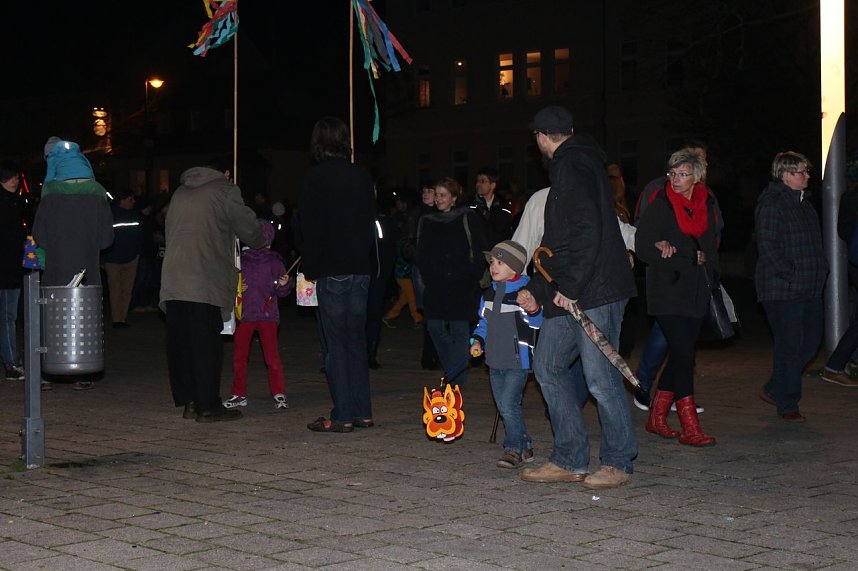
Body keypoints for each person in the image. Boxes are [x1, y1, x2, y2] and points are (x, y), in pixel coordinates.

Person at [516, 105, 637, 489]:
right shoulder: (574, 164)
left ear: (541, 137)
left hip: (594, 291)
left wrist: (570, 288)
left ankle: (618, 461)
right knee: (548, 366)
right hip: (570, 290)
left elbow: (587, 233)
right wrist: (542, 290)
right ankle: (569, 458)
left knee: (600, 378)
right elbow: (559, 242)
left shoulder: (573, 165)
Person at [160, 158, 264, 422]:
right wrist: (261, 239)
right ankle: (208, 405)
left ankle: (190, 401)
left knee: (182, 344)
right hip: (203, 277)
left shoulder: (180, 192)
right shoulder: (224, 189)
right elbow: (248, 227)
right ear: (226, 172)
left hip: (174, 278)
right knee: (205, 344)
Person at [297, 116, 377, 433]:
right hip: (360, 268)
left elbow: (308, 227)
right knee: (356, 340)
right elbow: (369, 219)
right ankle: (362, 410)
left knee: (336, 344)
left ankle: (343, 414)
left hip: (332, 268)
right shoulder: (361, 175)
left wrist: (310, 266)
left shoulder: (313, 178)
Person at [635, 150, 718, 446]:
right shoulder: (661, 204)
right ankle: (690, 426)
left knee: (683, 354)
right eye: (672, 173)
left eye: (683, 174)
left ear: (697, 177)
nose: (676, 179)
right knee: (684, 355)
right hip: (668, 292)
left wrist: (710, 274)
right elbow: (643, 246)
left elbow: (711, 246)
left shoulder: (706, 203)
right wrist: (676, 252)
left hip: (696, 291)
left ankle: (656, 418)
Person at [755, 151, 828, 422]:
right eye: (802, 171)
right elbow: (768, 247)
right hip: (783, 290)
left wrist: (821, 270)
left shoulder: (805, 205)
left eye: (807, 171)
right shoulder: (772, 205)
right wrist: (791, 275)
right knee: (790, 346)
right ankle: (788, 403)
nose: (807, 176)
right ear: (785, 175)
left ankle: (775, 387)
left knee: (811, 342)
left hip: (809, 287)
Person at [470, 240, 542, 469]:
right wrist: (477, 341)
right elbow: (483, 323)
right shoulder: (488, 294)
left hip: (517, 361)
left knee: (509, 405)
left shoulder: (524, 294)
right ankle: (525, 443)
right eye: (492, 262)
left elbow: (537, 323)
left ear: (515, 267)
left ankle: (512, 449)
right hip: (494, 360)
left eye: (500, 263)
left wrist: (532, 307)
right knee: (505, 407)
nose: (493, 267)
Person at [417, 177, 488, 387]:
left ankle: (457, 381)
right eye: (436, 195)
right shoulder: (427, 220)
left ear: (454, 198)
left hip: (461, 284)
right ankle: (455, 369)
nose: (438, 199)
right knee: (435, 328)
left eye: (443, 195)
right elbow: (421, 252)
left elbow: (479, 247)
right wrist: (427, 276)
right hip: (436, 285)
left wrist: (472, 275)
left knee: (459, 331)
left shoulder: (467, 217)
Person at [224, 220, 291, 410]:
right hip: (245, 315)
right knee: (239, 357)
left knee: (272, 357)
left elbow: (282, 291)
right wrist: (238, 288)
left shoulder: (274, 262)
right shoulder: (240, 261)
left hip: (267, 315)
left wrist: (285, 284)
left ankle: (278, 392)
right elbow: (231, 286)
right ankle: (239, 393)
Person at [33, 138, 114, 287]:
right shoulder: (99, 200)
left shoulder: (49, 200)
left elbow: (40, 237)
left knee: (57, 303)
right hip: (88, 279)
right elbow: (106, 240)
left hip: (56, 277)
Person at [102, 190, 143, 328]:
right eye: (131, 199)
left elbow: (140, 235)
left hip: (131, 258)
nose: (133, 202)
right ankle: (117, 319)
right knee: (115, 289)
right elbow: (102, 237)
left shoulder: (134, 215)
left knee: (127, 290)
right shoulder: (109, 215)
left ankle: (122, 318)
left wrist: (138, 253)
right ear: (122, 200)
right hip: (112, 258)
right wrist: (103, 258)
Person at [0, 160, 25, 380]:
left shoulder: (14, 203)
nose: (14, 181)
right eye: (10, 177)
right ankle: (11, 363)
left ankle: (11, 360)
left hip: (11, 268)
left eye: (16, 177)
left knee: (8, 317)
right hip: (7, 269)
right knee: (7, 317)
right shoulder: (8, 204)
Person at [471, 167, 513, 247]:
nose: (478, 184)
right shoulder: (470, 205)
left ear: (493, 185)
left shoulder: (502, 206)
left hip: (496, 251)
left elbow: (504, 229)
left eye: (482, 181)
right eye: (477, 181)